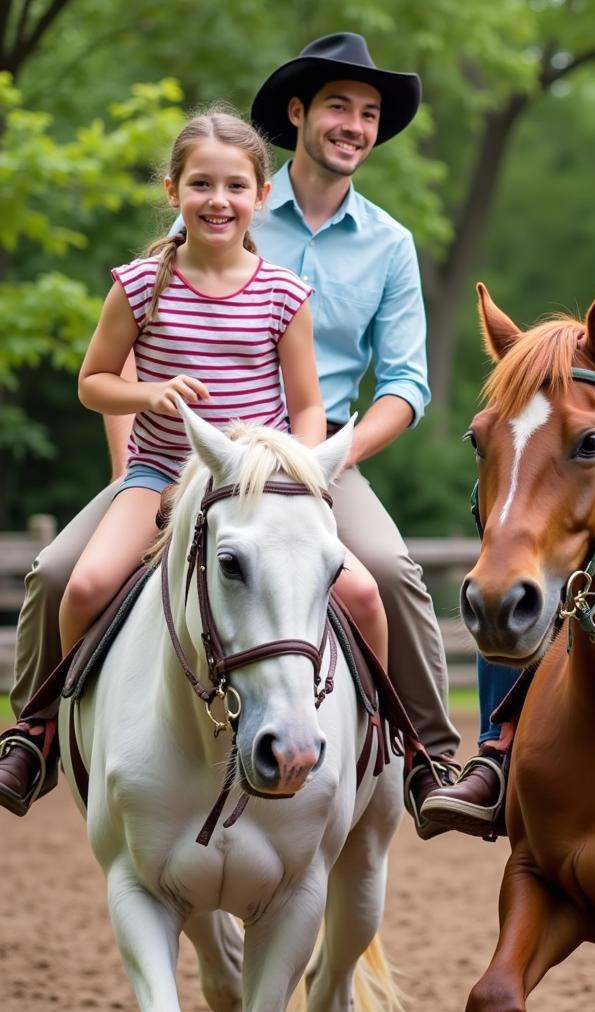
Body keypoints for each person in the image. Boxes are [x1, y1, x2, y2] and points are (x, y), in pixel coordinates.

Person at [0, 34, 460, 838]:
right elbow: (122, 368)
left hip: (303, 458)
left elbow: (404, 387)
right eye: (338, 107)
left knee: (385, 569)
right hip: (168, 464)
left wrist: (318, 466)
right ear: (299, 114)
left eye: (369, 113)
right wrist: (133, 477)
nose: (354, 124)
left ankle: (425, 755)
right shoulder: (220, 213)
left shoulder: (387, 244)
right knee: (62, 573)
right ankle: (38, 734)